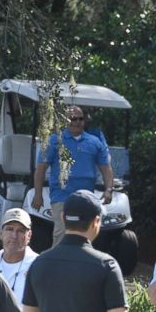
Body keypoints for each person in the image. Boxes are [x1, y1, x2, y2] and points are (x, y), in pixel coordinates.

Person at [32, 106, 114, 247]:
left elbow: (106, 169)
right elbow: (40, 169)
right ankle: (58, 267)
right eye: (73, 118)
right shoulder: (53, 141)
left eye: (80, 118)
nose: (77, 122)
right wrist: (38, 194)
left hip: (87, 198)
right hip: (61, 197)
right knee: (62, 235)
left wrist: (109, 189)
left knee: (86, 237)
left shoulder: (95, 142)